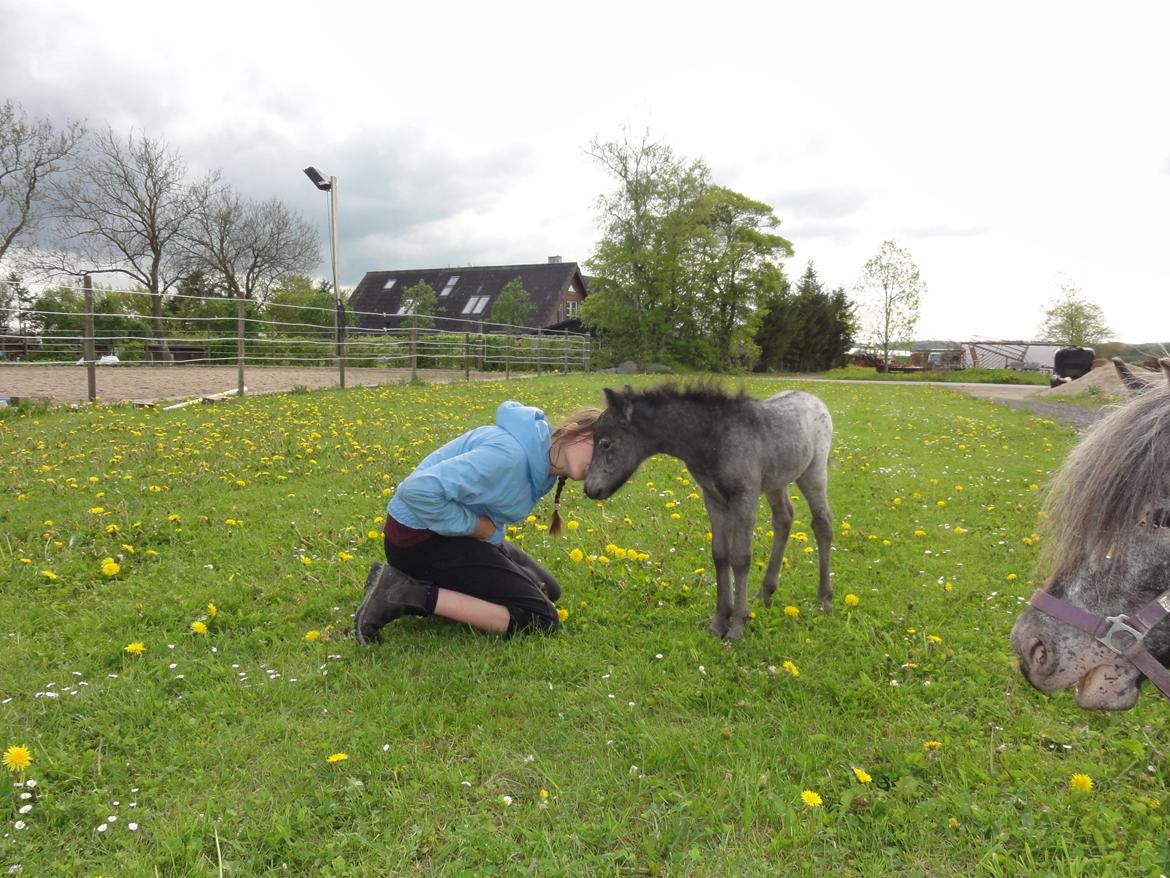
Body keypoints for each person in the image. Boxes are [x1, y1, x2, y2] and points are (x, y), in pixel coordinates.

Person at [354, 400, 601, 642]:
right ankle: (403, 592)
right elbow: (416, 491)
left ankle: (437, 588)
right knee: (541, 618)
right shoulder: (509, 456)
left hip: (449, 534)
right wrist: (476, 526)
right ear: (577, 429)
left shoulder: (543, 460)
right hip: (418, 541)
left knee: (548, 590)